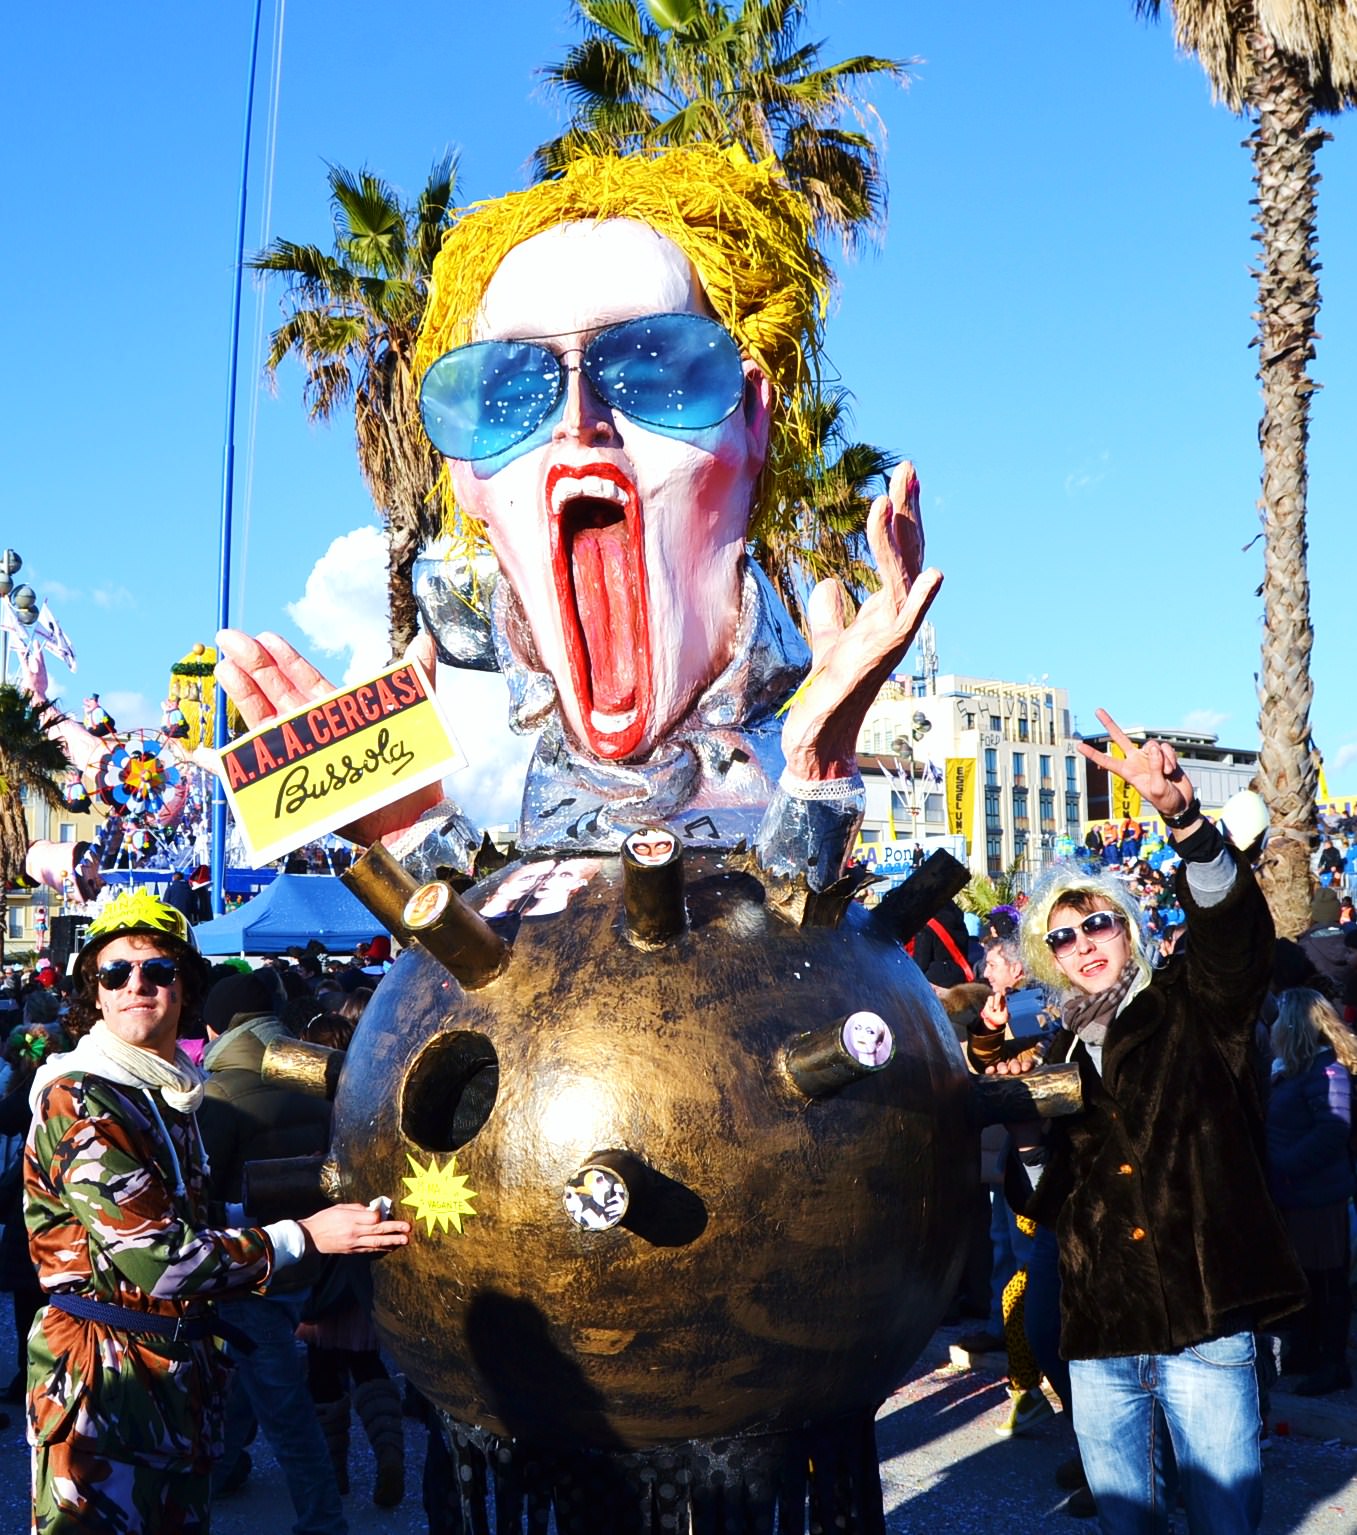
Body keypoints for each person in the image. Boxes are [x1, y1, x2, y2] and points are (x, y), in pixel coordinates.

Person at [993, 710, 1306, 1535]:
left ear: (1126, 927)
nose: (1084, 942)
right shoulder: (1054, 1050)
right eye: (1062, 935)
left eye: (1097, 922)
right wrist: (1023, 1143)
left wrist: (1184, 821)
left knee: (1222, 1524)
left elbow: (1234, 935)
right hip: (1100, 1337)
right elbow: (1052, 1195)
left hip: (1204, 1326)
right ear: (1046, 957)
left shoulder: (1194, 1002)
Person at [22, 890, 411, 1533]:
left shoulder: (164, 1092)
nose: (136, 985)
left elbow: (186, 1221)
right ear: (93, 992)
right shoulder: (81, 1098)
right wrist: (305, 1237)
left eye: (159, 970)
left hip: (175, 1379)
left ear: (187, 989)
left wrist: (326, 1214)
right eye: (115, 973)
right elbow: (160, 1260)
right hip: (103, 1388)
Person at [196, 969, 356, 1528]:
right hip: (315, 1251)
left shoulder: (216, 1093)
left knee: (283, 1404)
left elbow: (202, 1192)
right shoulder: (309, 1072)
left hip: (252, 1260)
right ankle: (226, 1464)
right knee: (259, 1368)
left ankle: (322, 1520)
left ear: (217, 1026)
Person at [1266, 987, 1357, 1396]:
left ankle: (1332, 1362)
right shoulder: (1296, 1068)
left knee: (1327, 1284)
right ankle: (1307, 1353)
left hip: (1317, 1197)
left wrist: (1284, 1168)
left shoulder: (1328, 1071)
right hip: (1296, 1196)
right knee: (1306, 1281)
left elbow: (1333, 1131)